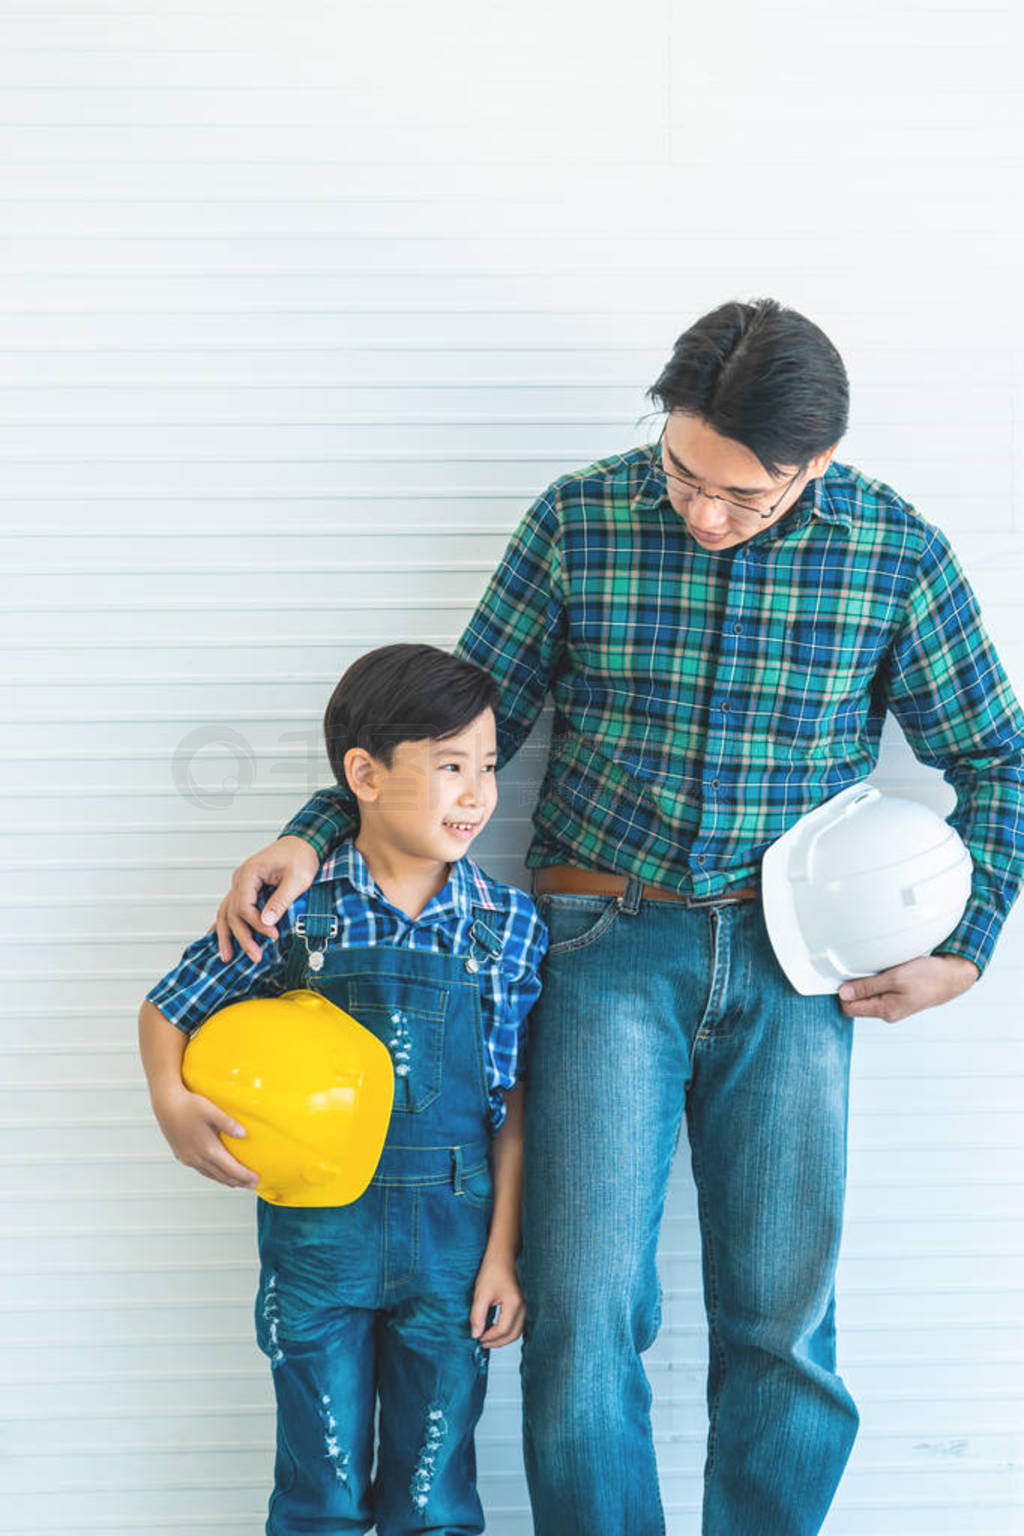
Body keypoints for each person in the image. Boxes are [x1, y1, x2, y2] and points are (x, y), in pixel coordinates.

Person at [209, 300, 1024, 1535]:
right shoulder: (581, 518)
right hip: (598, 950)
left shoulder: (891, 551)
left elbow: (998, 762)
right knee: (583, 1308)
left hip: (795, 968)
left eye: (748, 498)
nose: (706, 515)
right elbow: (456, 733)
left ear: (816, 462)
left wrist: (964, 952)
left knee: (781, 1319)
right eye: (685, 473)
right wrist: (313, 830)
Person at [139, 643, 548, 1536]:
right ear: (363, 773)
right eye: (448, 768)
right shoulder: (298, 911)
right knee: (317, 1492)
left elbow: (512, 1104)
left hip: (454, 1243)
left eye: (486, 766)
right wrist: (173, 1108)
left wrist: (504, 1254)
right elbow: (171, 1008)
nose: (476, 794)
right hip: (317, 1246)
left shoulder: (509, 924)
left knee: (435, 1498)